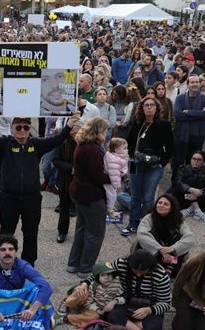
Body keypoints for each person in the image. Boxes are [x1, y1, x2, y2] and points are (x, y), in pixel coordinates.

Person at [0, 111, 76, 264]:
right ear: (12, 128)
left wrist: (70, 124)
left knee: (31, 234)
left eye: (26, 127)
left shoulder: (36, 144)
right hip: (9, 199)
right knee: (6, 234)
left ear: (30, 128)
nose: (22, 130)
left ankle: (29, 265)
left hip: (32, 199)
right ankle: (4, 262)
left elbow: (57, 139)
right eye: (19, 127)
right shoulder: (4, 144)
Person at [72, 250, 175, 330]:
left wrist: (149, 310)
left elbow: (166, 303)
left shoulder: (160, 275)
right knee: (114, 315)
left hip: (149, 305)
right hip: (125, 301)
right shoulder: (121, 264)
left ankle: (123, 328)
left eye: (143, 272)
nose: (138, 275)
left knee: (154, 328)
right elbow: (100, 272)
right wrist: (84, 283)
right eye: (135, 271)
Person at [0, 234, 53, 322]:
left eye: (11, 249)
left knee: (36, 290)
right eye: (3, 250)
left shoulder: (23, 266)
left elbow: (46, 287)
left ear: (16, 252)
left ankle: (45, 318)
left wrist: (32, 310)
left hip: (15, 301)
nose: (7, 253)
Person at [66, 118, 112, 277]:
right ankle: (86, 269)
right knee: (95, 233)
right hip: (91, 195)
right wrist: (115, 176)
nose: (106, 134)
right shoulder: (92, 149)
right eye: (105, 130)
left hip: (78, 191)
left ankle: (73, 264)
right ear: (98, 131)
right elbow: (98, 176)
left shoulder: (82, 145)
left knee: (81, 229)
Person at [122, 96, 173, 236]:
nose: (149, 108)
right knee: (135, 196)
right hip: (135, 163)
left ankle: (145, 226)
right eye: (146, 105)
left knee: (149, 197)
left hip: (154, 166)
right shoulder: (137, 123)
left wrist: (161, 163)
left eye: (152, 105)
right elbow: (128, 142)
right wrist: (132, 154)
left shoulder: (164, 124)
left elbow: (170, 147)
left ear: (157, 108)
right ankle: (133, 223)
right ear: (142, 108)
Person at [135, 194, 195, 278]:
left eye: (165, 204)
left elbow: (190, 237)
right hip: (154, 250)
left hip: (171, 251)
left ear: (171, 209)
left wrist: (173, 248)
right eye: (159, 203)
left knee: (180, 237)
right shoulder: (149, 217)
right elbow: (142, 234)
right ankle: (157, 265)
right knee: (150, 234)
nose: (161, 205)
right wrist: (160, 249)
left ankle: (170, 266)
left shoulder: (177, 219)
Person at [62, 261, 125, 328]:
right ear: (97, 277)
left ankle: (67, 318)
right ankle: (65, 303)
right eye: (102, 275)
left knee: (94, 317)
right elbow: (88, 303)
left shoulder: (117, 284)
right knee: (81, 291)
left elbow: (123, 297)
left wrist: (115, 301)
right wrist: (97, 309)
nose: (107, 277)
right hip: (89, 303)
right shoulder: (93, 286)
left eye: (109, 274)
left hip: (95, 309)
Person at [172, 75, 205, 179]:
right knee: (178, 161)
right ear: (188, 84)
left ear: (200, 84)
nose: (194, 84)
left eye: (197, 82)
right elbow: (177, 114)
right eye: (192, 82)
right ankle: (176, 182)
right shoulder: (180, 98)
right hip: (181, 135)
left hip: (197, 135)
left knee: (194, 162)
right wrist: (198, 115)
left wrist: (188, 112)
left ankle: (189, 183)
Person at [167, 150, 205, 221]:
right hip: (184, 196)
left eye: (199, 160)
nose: (196, 161)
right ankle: (197, 210)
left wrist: (201, 192)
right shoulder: (183, 169)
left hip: (201, 197)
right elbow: (178, 182)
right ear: (191, 159)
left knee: (202, 182)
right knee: (190, 181)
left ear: (203, 161)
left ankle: (190, 209)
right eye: (194, 159)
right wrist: (191, 189)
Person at [103, 137, 129, 219]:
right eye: (124, 148)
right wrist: (116, 184)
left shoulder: (115, 155)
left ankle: (110, 206)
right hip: (110, 180)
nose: (126, 150)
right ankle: (109, 210)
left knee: (111, 194)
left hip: (112, 178)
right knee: (112, 195)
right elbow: (113, 173)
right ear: (116, 150)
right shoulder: (112, 158)